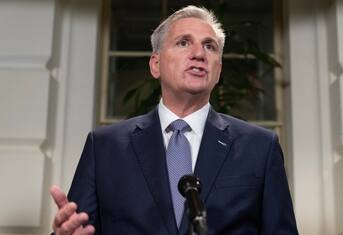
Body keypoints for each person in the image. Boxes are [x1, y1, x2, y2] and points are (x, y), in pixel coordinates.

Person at [50, 5, 298, 235]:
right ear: (155, 65)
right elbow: (77, 228)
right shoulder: (104, 147)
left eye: (210, 46)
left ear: (218, 70)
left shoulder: (260, 147)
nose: (199, 53)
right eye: (183, 43)